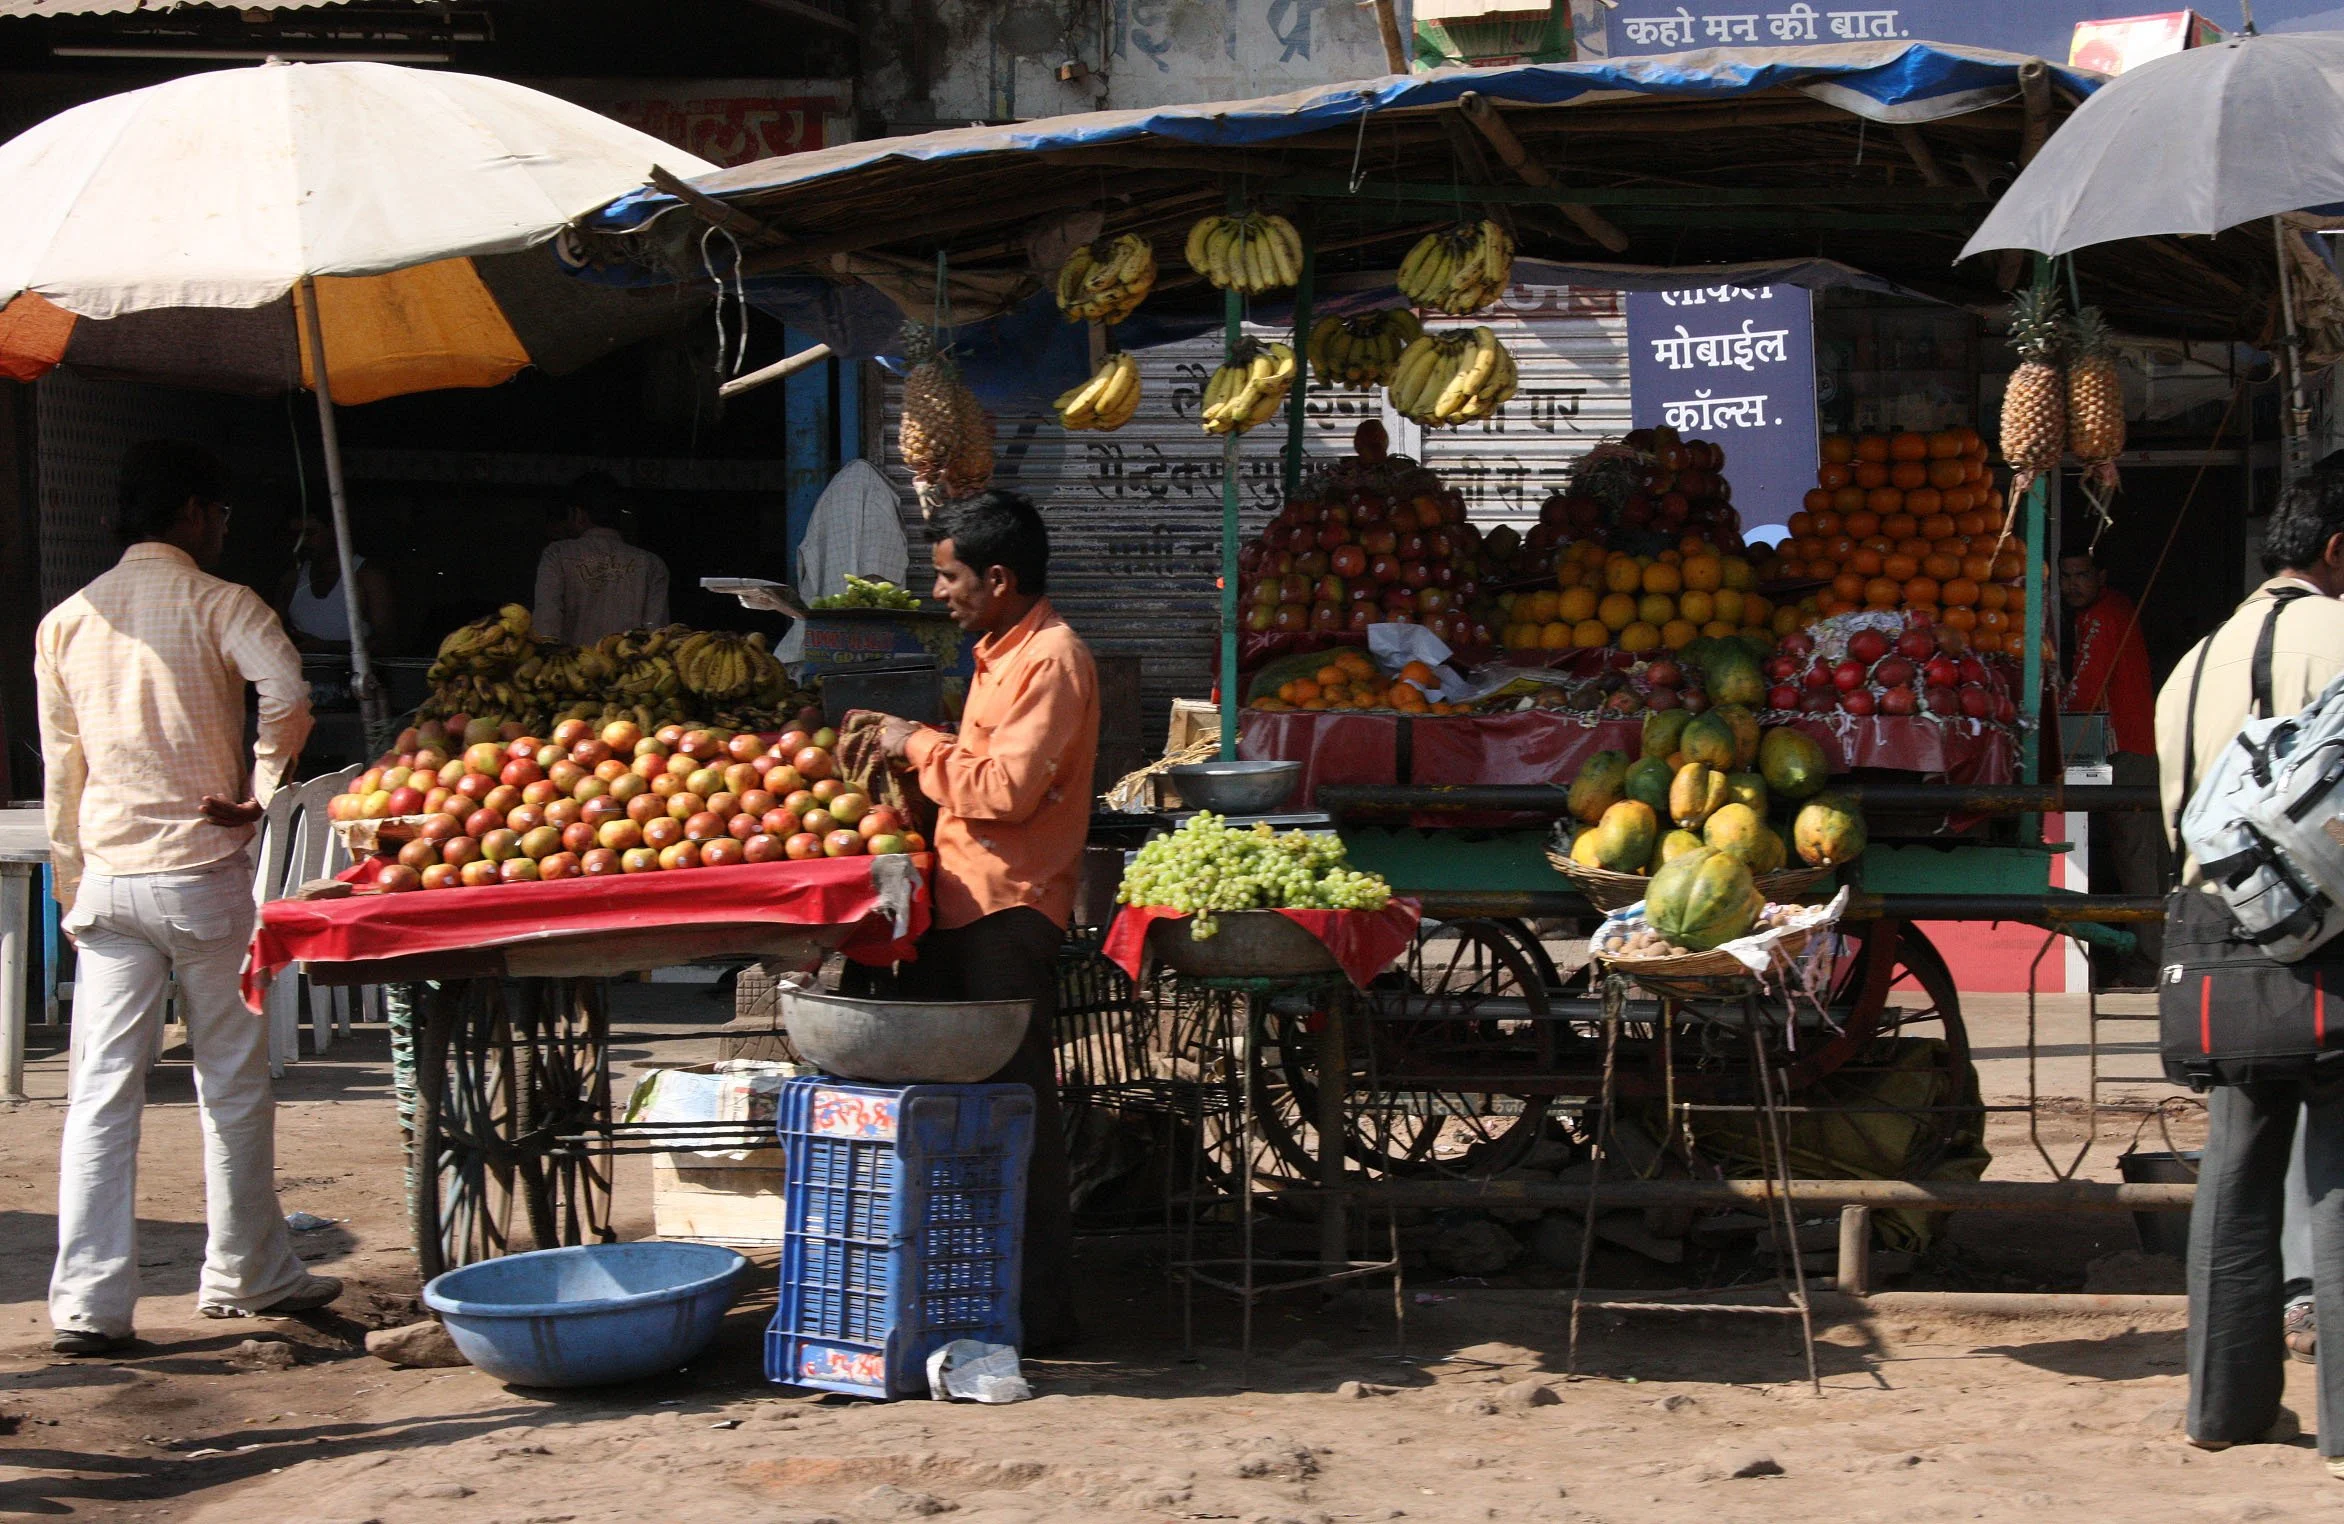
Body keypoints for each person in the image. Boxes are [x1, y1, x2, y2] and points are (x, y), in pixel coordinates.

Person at [36, 441, 342, 1356]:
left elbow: (63, 771)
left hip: (112, 882)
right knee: (232, 1085)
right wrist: (259, 782)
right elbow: (285, 690)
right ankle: (247, 1272)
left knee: (99, 1096)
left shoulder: (67, 621)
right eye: (218, 516)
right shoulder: (222, 602)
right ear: (198, 514)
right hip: (203, 874)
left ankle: (88, 1305)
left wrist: (70, 884)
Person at [869, 491, 1099, 1352]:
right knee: (967, 1111)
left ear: (998, 579)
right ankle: (974, 1293)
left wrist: (918, 746)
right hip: (963, 906)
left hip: (1009, 911)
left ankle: (1042, 1320)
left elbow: (1003, 791)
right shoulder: (998, 652)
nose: (939, 593)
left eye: (949, 576)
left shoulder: (1052, 659)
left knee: (1016, 1114)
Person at [2154, 470, 2344, 1475]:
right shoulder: (2342, 639)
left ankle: (2220, 1408)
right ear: (2337, 550)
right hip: (2325, 938)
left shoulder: (2186, 665)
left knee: (2234, 1161)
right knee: (2341, 1168)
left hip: (2210, 935)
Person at [2060, 549, 2166, 982]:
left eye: (2082, 574)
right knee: (2148, 855)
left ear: (2100, 574)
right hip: (2135, 744)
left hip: (2124, 747)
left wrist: (2052, 721)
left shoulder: (2103, 616)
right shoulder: (2109, 610)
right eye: (2066, 577)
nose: (2073, 584)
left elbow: (2086, 690)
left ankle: (2148, 964)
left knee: (2136, 856)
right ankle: (2156, 955)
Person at [532, 471, 669, 645]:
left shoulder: (557, 555)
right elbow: (656, 635)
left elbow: (546, 626)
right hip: (632, 669)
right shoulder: (652, 564)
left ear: (578, 515)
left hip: (570, 668)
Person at [274, 510, 396, 654]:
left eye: (310, 533)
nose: (302, 542)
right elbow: (270, 635)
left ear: (335, 529)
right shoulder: (292, 579)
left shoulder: (367, 576)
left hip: (354, 674)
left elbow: (388, 643)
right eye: (296, 536)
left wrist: (328, 647)